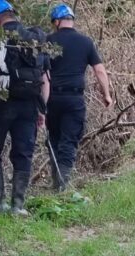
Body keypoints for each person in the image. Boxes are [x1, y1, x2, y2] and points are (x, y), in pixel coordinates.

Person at [0, 0, 50, 216]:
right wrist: (42, 109)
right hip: (30, 104)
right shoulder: (35, 38)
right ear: (13, 14)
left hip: (1, 103)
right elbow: (45, 78)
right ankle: (18, 207)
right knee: (24, 153)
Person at [46, 3, 113, 191]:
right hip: (74, 99)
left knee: (54, 139)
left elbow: (40, 72)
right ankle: (62, 185)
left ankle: (57, 183)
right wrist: (106, 94)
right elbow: (99, 70)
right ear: (71, 21)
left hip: (52, 98)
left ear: (57, 22)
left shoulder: (47, 41)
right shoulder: (85, 42)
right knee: (68, 141)